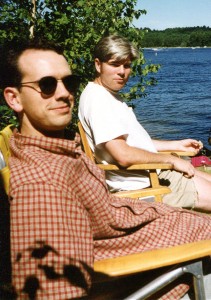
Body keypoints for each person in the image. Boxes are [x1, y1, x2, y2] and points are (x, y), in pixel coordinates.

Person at [1, 39, 211, 300]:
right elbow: (54, 291)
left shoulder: (59, 151)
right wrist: (171, 160)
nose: (64, 93)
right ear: (14, 98)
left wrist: (172, 149)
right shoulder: (42, 186)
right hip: (165, 248)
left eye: (69, 82)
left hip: (147, 222)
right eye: (46, 85)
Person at [79, 34, 211, 212]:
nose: (122, 72)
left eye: (127, 65)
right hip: (145, 185)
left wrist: (175, 144)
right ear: (98, 64)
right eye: (114, 64)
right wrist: (171, 160)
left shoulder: (105, 95)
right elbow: (123, 155)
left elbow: (133, 143)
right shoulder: (99, 101)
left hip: (153, 174)